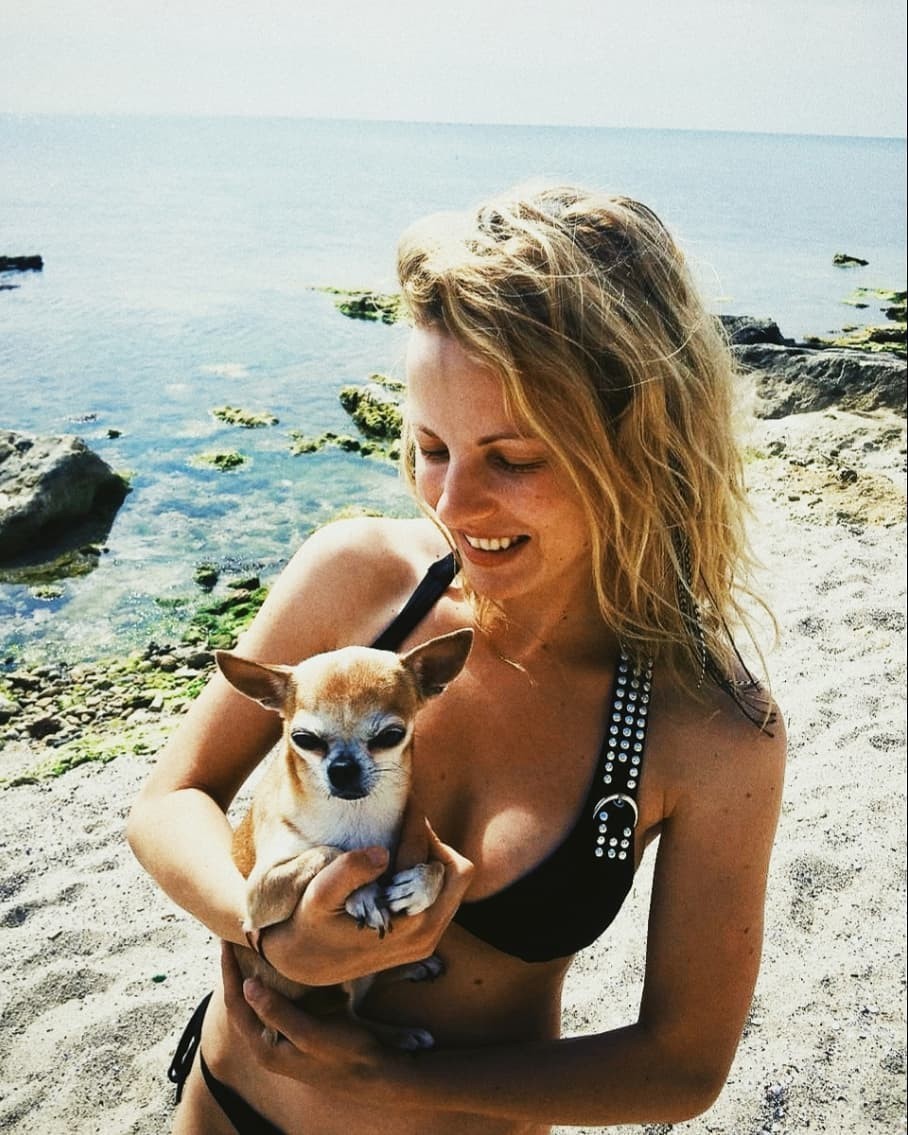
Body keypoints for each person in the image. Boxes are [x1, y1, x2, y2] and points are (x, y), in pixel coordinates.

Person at [127, 181, 786, 1135]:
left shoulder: (710, 727)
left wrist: (394, 1080)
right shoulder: (362, 584)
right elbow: (169, 799)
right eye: (431, 446)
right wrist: (263, 922)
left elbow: (681, 1065)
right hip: (229, 1109)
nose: (452, 504)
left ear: (641, 449)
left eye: (513, 459)